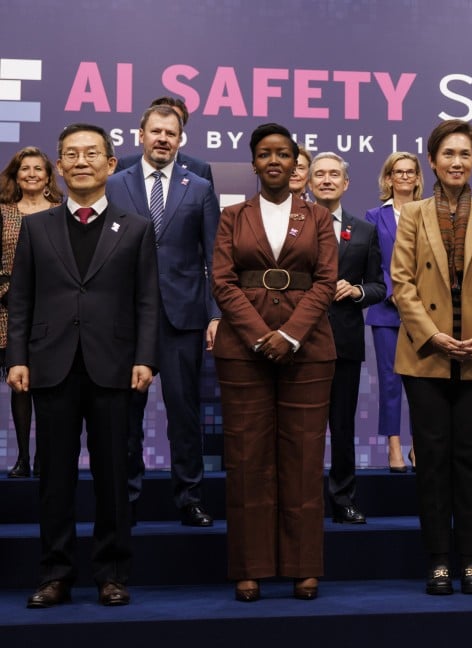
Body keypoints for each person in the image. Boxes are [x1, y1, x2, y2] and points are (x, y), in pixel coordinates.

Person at [8, 123, 159, 607]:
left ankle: (112, 573)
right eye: (70, 154)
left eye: (92, 153)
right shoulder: (36, 227)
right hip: (50, 365)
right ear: (59, 165)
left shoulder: (135, 227)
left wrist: (145, 358)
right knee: (55, 477)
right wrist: (17, 359)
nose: (81, 161)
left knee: (114, 475)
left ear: (111, 164)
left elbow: (147, 302)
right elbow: (22, 299)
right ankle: (55, 574)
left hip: (115, 365)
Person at [211, 123, 337, 602]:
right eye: (265, 154)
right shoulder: (232, 216)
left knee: (304, 460)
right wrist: (262, 336)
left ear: (295, 161)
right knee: (247, 460)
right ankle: (251, 566)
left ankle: (304, 567)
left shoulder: (318, 217)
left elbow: (326, 282)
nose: (275, 161)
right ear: (254, 163)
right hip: (244, 350)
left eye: (283, 154)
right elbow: (222, 282)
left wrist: (289, 335)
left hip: (308, 349)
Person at [390, 119, 472, 596]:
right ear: (432, 160)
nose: (457, 162)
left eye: (465, 154)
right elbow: (401, 283)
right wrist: (433, 335)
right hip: (426, 356)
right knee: (434, 461)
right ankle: (439, 560)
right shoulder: (413, 214)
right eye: (448, 154)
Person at [106, 104, 221, 527]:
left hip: (183, 316)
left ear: (180, 139)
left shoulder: (199, 187)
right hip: (124, 317)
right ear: (140, 134)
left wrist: (215, 314)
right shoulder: (114, 185)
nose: (162, 139)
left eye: (171, 133)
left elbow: (214, 256)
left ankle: (189, 496)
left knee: (184, 413)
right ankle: (126, 498)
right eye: (156, 131)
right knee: (124, 415)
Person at [309, 152, 386, 524]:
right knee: (301, 429)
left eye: (334, 175)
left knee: (342, 426)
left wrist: (356, 291)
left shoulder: (364, 230)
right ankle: (302, 502)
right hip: (299, 341)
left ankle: (342, 499)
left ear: (346, 183)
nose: (326, 180)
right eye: (319, 174)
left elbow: (378, 286)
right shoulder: (291, 225)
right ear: (309, 182)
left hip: (344, 340)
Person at [1, 146, 63, 478]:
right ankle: (23, 457)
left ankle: (45, 458)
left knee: (49, 386)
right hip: (8, 310)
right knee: (20, 384)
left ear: (48, 176)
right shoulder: (3, 212)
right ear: (16, 174)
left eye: (38, 169)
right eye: (25, 169)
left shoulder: (61, 211)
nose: (32, 174)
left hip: (52, 311)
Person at [365, 152, 423, 473]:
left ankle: (419, 446)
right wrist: (395, 293)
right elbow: (374, 263)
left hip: (425, 311)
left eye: (409, 172)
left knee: (421, 382)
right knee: (390, 382)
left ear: (417, 178)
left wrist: (416, 297)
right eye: (397, 172)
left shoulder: (430, 213)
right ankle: (394, 447)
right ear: (388, 178)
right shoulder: (374, 216)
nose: (403, 177)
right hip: (386, 311)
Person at [116, 96, 215, 191]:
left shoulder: (200, 170)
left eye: (175, 119)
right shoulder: (125, 165)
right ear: (142, 134)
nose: (163, 138)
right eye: (156, 130)